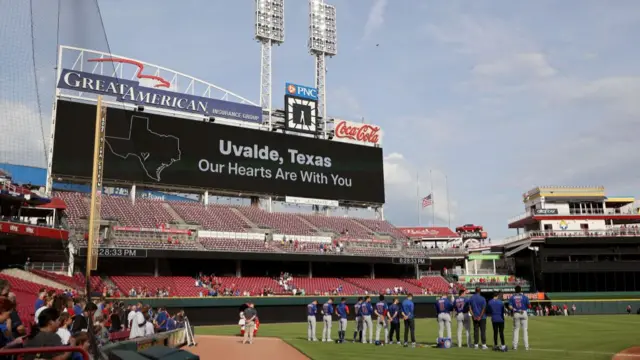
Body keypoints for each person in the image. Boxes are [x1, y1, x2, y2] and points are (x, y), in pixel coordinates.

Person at [508, 285, 530, 350]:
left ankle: (515, 346)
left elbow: (510, 306)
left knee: (516, 330)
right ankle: (526, 346)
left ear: (515, 290)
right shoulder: (525, 297)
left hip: (516, 313)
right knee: (525, 330)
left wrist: (515, 309)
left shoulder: (512, 297)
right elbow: (529, 306)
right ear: (521, 290)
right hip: (523, 313)